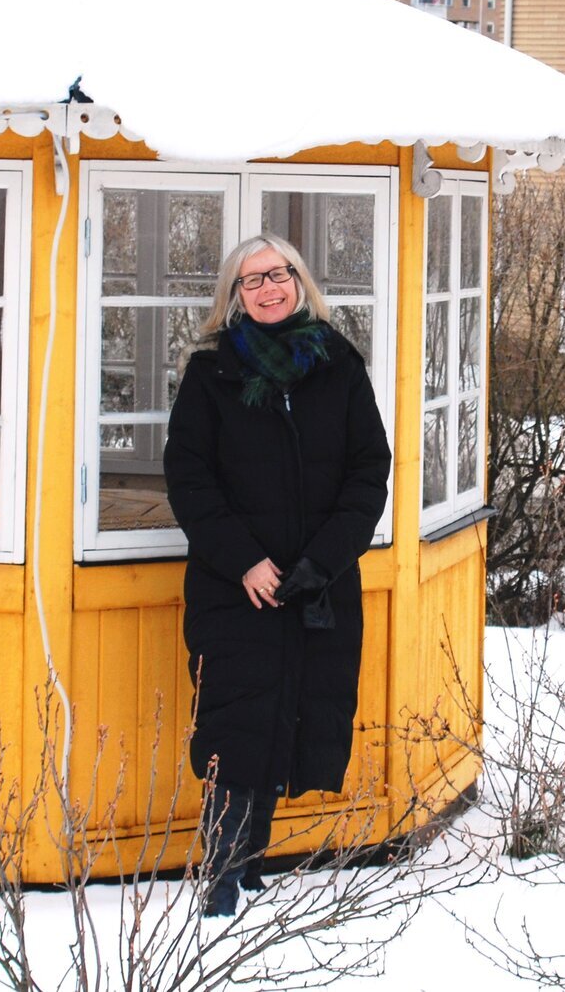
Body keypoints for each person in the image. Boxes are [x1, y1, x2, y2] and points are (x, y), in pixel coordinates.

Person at [164, 232, 392, 917]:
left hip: (315, 587)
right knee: (238, 724)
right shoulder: (212, 374)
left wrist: (321, 559)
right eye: (251, 279)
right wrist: (244, 561)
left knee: (293, 712)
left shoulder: (338, 364)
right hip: (236, 589)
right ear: (234, 296)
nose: (268, 287)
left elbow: (368, 470)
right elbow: (189, 478)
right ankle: (224, 873)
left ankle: (252, 862)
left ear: (300, 279)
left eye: (279, 273)